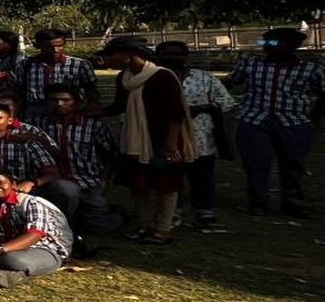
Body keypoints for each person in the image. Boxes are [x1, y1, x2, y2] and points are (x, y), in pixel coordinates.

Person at [99, 36, 195, 244]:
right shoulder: (124, 78)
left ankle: (163, 229)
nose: (110, 59)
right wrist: (91, 112)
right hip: (135, 138)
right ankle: (146, 225)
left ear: (128, 55)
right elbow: (118, 106)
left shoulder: (162, 76)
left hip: (162, 138)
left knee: (165, 185)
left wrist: (170, 145)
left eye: (113, 54)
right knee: (138, 183)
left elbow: (175, 114)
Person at [227, 28, 325, 218]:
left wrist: (315, 117)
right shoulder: (250, 64)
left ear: (292, 46)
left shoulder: (311, 69)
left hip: (294, 122)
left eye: (272, 43)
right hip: (254, 120)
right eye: (264, 43)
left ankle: (293, 203)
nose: (266, 48)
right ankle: (258, 202)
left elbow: (323, 93)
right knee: (256, 164)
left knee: (293, 166)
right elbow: (231, 82)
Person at [155, 40, 236, 229]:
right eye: (167, 54)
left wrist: (201, 108)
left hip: (200, 136)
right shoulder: (153, 79)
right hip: (166, 136)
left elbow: (226, 102)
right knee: (170, 177)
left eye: (177, 53)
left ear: (185, 56)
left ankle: (205, 212)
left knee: (202, 176)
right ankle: (173, 212)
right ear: (158, 56)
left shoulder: (204, 78)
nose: (173, 57)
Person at [0, 168, 75, 289]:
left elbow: (34, 235)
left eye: (0, 183)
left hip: (41, 248)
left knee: (11, 260)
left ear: (13, 184)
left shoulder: (32, 203)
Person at [25, 84, 119, 236]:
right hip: (54, 180)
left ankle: (115, 214)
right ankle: (65, 229)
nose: (60, 104)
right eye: (54, 100)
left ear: (75, 102)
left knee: (99, 228)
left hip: (88, 180)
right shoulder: (37, 124)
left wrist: (105, 179)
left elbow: (110, 153)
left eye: (65, 100)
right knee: (66, 190)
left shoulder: (92, 125)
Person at [20, 29, 100, 116]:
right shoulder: (26, 64)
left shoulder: (80, 65)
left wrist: (91, 105)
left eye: (59, 46)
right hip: (36, 110)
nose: (56, 50)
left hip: (69, 110)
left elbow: (91, 88)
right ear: (37, 46)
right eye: (49, 47)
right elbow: (18, 89)